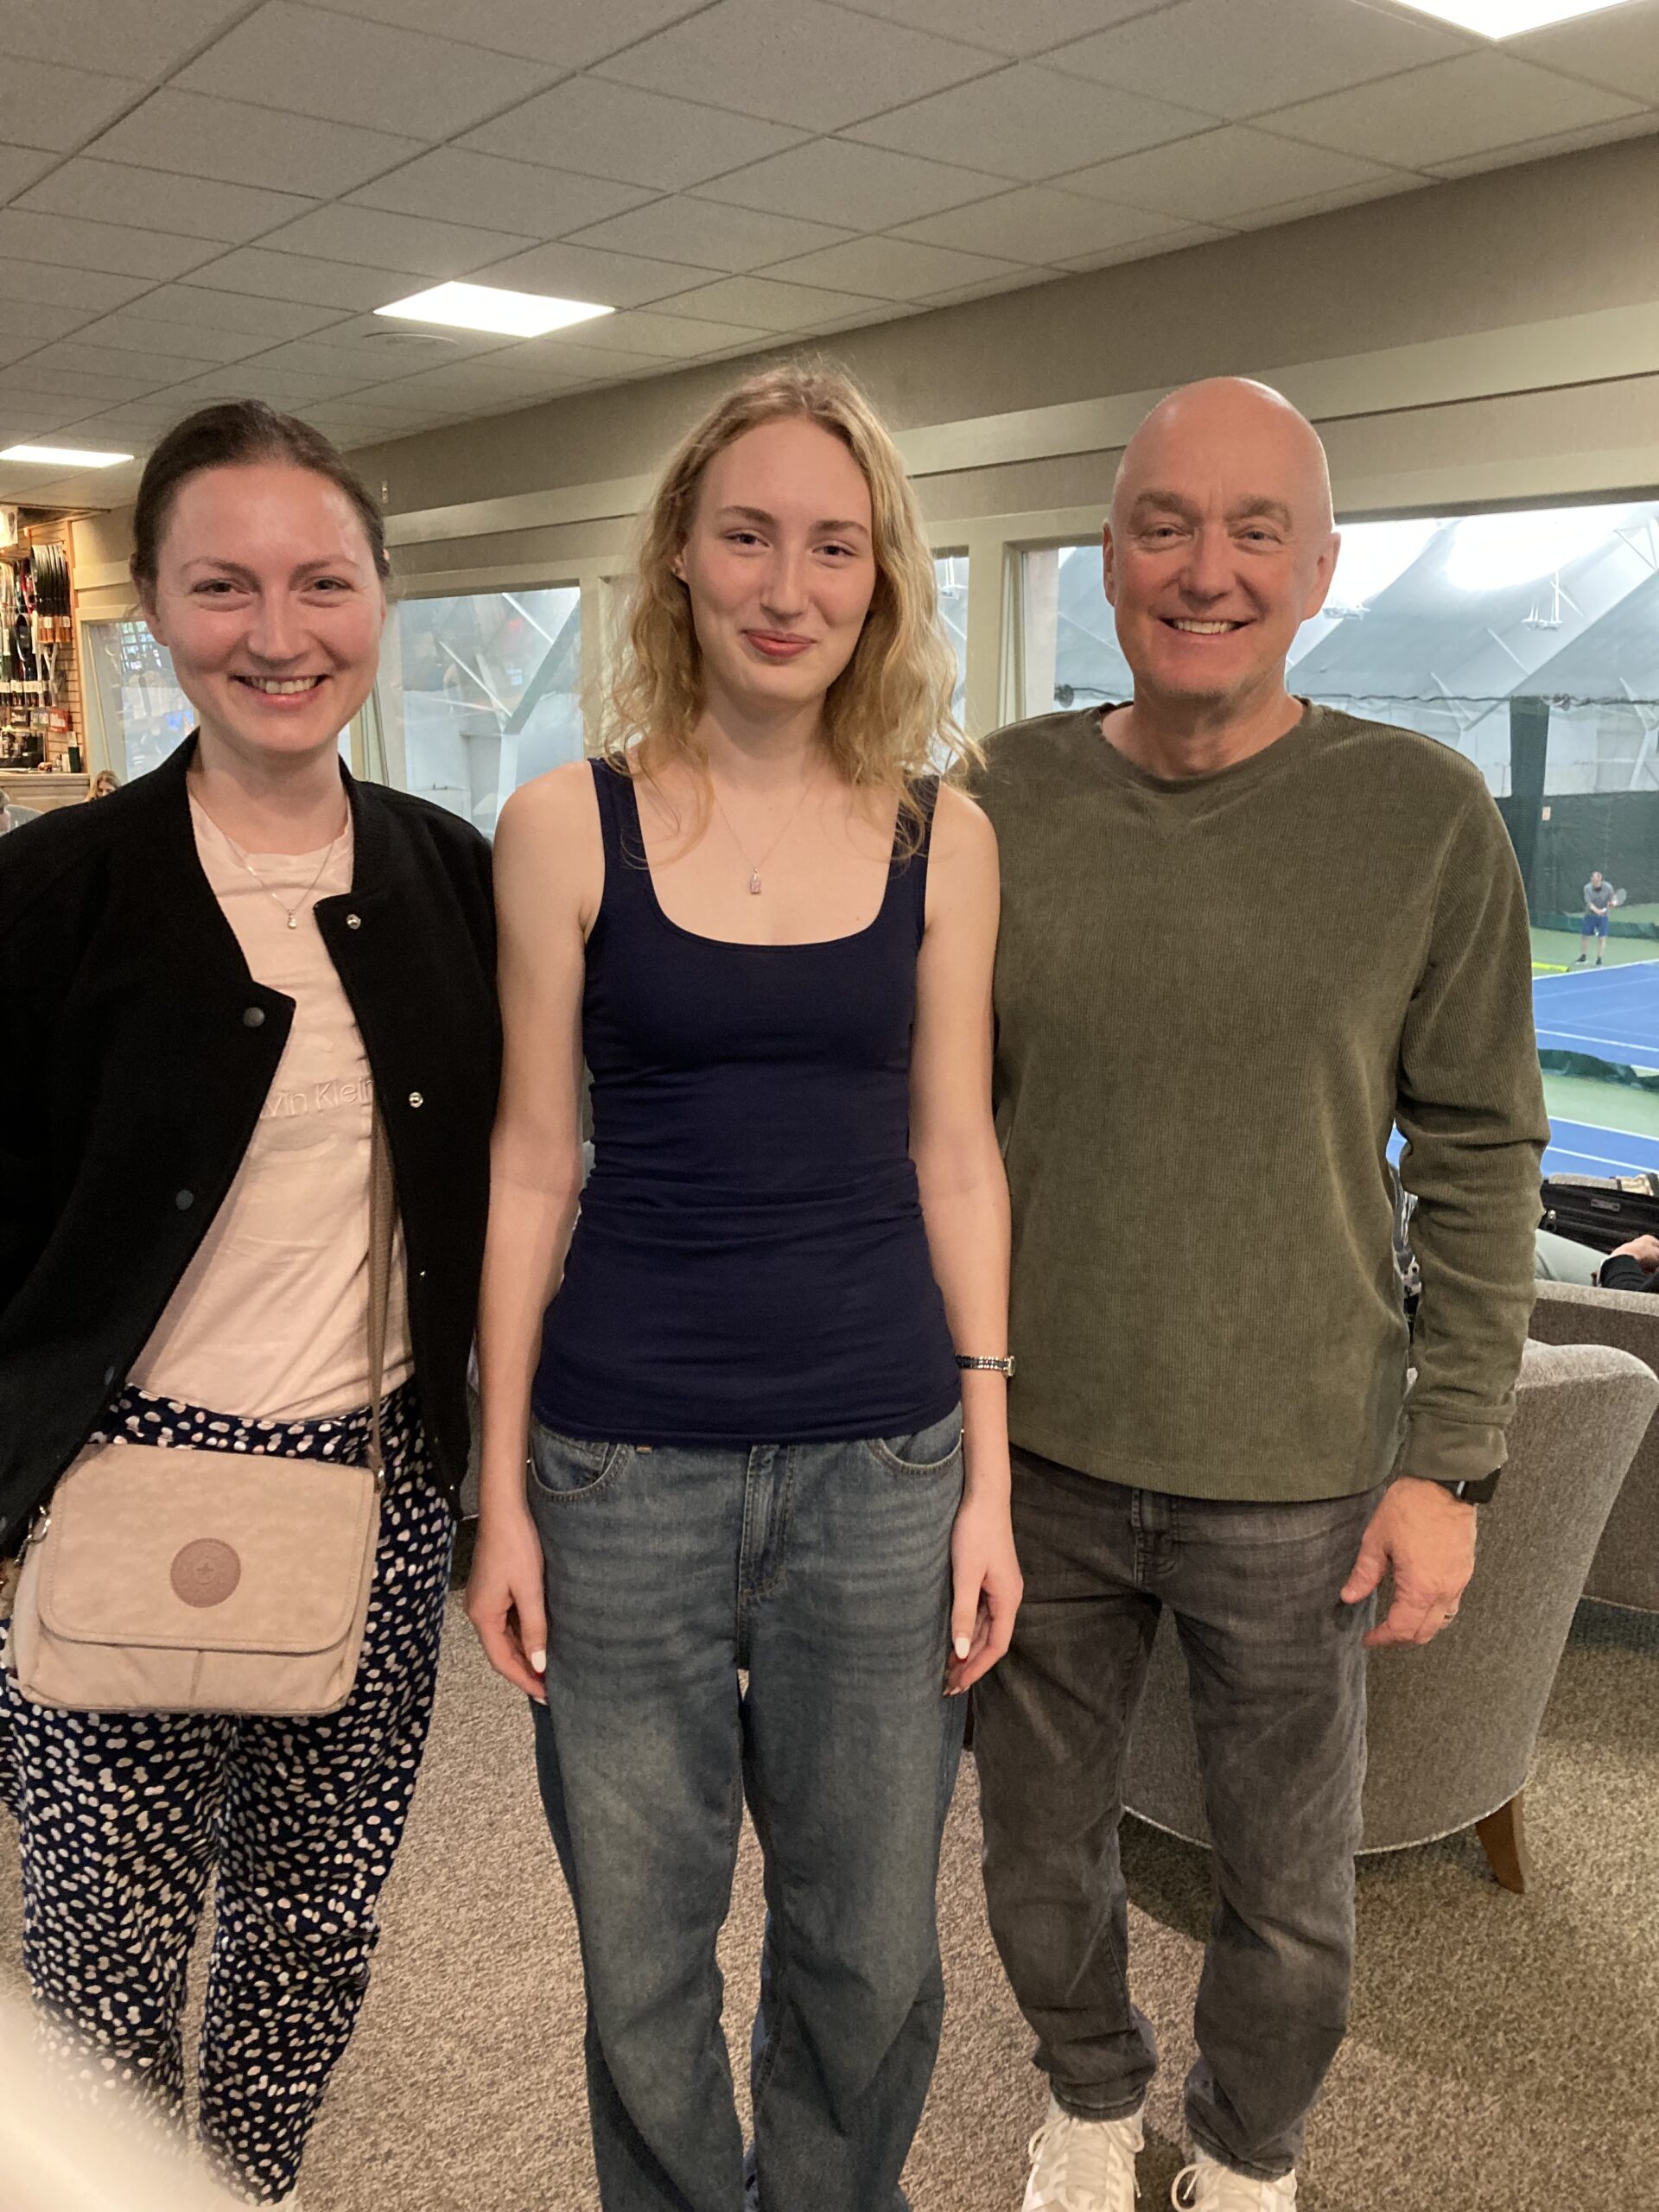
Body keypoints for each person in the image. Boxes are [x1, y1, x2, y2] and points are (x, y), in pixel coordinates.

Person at [971, 378, 1548, 2212]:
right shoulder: (994, 798)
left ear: (1319, 569)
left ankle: (1245, 2149)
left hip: (1302, 1470)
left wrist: (1449, 1461)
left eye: (1252, 532)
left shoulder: (1422, 815)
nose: (1204, 569)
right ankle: (1084, 2095)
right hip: (1034, 1453)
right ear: (1110, 550)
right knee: (1035, 1844)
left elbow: (1482, 1147)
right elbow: (931, 1127)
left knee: (1290, 1884)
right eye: (1163, 524)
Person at [467, 364, 1019, 2212]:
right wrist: (499, 1497)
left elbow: (959, 1155)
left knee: (869, 1952)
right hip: (618, 1469)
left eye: (835, 545)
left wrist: (992, 1480)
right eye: (750, 535)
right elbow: (534, 1161)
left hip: (888, 1465)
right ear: (681, 563)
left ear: (881, 582)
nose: (790, 582)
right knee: (642, 1958)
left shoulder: (947, 834)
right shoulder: (565, 823)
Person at [0, 402, 499, 2208]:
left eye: (320, 580)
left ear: (382, 592)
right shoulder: (55, 887)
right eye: (223, 584)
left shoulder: (455, 876)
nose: (277, 630)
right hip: (115, 1489)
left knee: (314, 1919)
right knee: (102, 1935)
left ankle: (253, 2177)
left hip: (375, 1500)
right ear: (155, 611)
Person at [1579, 869, 1614, 963]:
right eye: (1592, 879)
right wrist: (1597, 911)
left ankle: (1599, 959)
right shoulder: (1587, 888)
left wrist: (1612, 903)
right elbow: (1589, 903)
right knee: (1584, 936)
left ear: (1600, 878)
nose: (1594, 881)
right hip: (1590, 915)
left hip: (1603, 917)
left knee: (1602, 937)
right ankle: (1583, 957)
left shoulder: (1608, 887)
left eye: (1596, 879)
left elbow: (1612, 899)